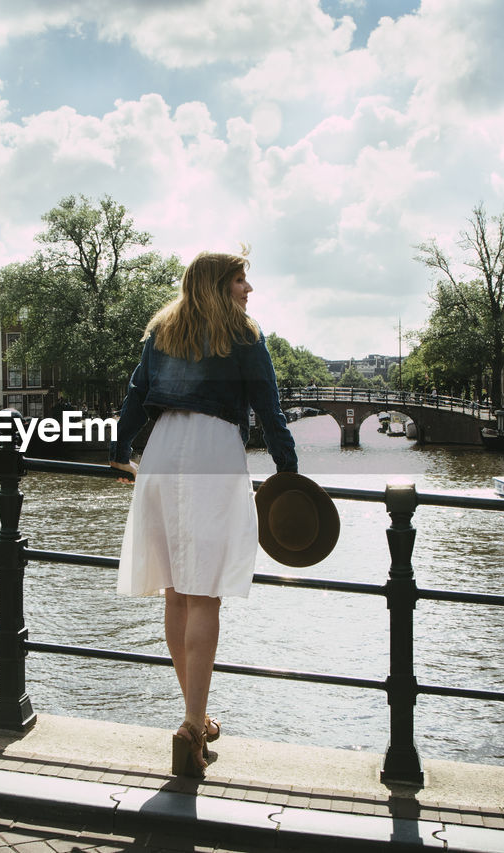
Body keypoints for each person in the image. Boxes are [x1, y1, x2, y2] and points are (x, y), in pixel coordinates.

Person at [109, 250, 298, 778]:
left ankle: (194, 717)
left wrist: (118, 452)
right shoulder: (242, 334)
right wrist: (289, 471)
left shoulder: (162, 331)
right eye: (241, 280)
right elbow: (268, 405)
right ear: (219, 285)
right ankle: (193, 724)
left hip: (164, 450)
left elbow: (136, 394)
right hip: (214, 451)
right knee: (204, 590)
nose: (248, 289)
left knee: (176, 589)